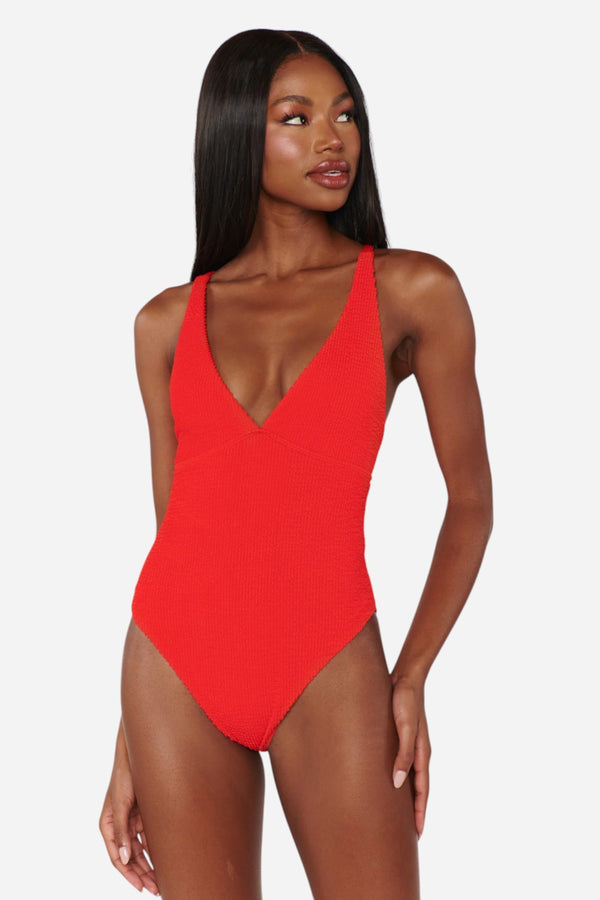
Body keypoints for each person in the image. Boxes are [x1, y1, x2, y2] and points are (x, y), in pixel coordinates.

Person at [99, 28, 493, 899]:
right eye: (297, 117)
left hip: (329, 654)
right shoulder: (164, 324)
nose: (332, 139)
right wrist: (130, 739)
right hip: (172, 666)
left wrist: (412, 673)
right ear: (238, 133)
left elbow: (471, 502)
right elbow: (177, 528)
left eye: (345, 115)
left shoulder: (411, 290)